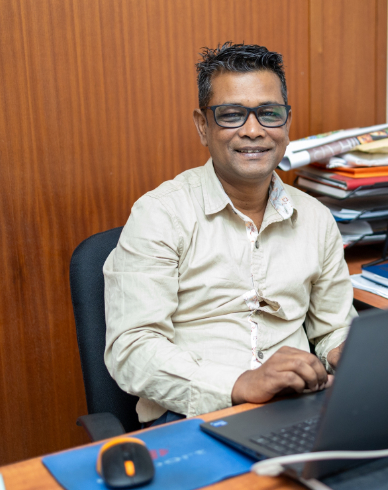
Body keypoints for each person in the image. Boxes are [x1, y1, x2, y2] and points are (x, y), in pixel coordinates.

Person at [103, 42, 356, 426]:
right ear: (203, 126)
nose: (253, 131)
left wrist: (344, 351)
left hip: (298, 408)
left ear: (286, 124)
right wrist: (240, 384)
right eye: (232, 115)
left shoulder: (316, 219)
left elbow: (333, 327)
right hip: (193, 415)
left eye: (269, 114)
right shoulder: (160, 215)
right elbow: (131, 350)